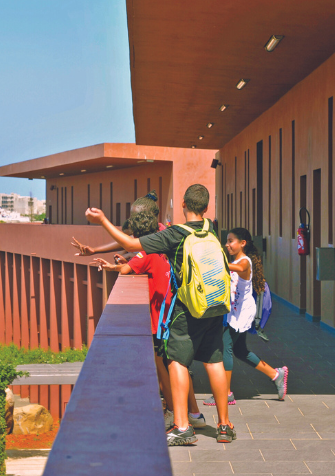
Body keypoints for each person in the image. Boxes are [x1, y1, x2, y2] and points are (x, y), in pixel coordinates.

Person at [85, 184, 235, 446]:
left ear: (184, 205)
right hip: (212, 305)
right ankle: (224, 426)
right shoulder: (211, 228)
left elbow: (131, 242)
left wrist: (102, 220)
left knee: (177, 362)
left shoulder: (175, 234)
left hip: (186, 309)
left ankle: (182, 426)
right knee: (214, 361)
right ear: (206, 208)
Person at [89, 210, 205, 431]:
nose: (131, 242)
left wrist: (114, 266)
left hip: (162, 317)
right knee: (180, 363)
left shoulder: (147, 251)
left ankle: (176, 415)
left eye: (132, 237)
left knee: (164, 363)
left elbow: (126, 268)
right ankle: (194, 412)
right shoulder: (165, 238)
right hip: (179, 309)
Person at [205, 228, 287, 406]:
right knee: (240, 350)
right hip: (235, 312)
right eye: (226, 241)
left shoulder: (245, 261)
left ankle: (226, 394)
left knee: (225, 347)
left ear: (243, 243)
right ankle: (276, 374)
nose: (227, 244)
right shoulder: (235, 260)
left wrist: (218, 264)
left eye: (231, 241)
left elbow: (240, 268)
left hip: (240, 315)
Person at [72, 191, 163, 258]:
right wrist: (95, 250)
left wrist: (102, 220)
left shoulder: (161, 235)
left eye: (138, 217)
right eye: (133, 217)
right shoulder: (148, 233)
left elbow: (130, 245)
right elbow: (128, 241)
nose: (133, 221)